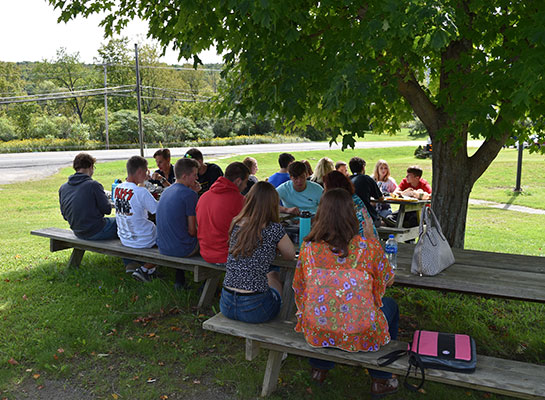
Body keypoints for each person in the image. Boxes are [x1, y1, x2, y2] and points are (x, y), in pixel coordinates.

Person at [292, 189, 399, 397]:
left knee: (325, 309)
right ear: (352, 215)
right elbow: (388, 280)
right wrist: (371, 238)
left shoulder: (308, 247)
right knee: (391, 305)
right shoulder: (365, 248)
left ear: (320, 212)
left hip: (318, 327)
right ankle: (381, 377)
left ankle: (319, 368)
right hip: (359, 329)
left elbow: (301, 286)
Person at [220, 182, 296, 323]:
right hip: (254, 308)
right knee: (272, 275)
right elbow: (290, 255)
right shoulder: (274, 228)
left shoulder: (236, 223)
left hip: (226, 302)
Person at [156, 157, 201, 289]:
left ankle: (179, 280)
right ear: (185, 176)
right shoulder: (189, 195)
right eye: (194, 174)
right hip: (182, 249)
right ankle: (206, 283)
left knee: (178, 233)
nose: (197, 177)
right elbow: (192, 231)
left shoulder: (166, 191)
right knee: (210, 240)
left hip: (163, 247)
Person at [114, 155, 158, 282]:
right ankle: (145, 269)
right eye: (145, 172)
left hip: (125, 238)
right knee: (171, 236)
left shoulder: (117, 188)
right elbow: (158, 210)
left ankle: (136, 265)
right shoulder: (141, 192)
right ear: (139, 171)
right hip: (144, 240)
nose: (146, 175)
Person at [196, 162, 249, 264]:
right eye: (246, 182)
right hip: (227, 255)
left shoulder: (204, 196)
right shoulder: (239, 200)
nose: (246, 186)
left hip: (205, 252)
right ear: (238, 181)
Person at [59, 152, 117, 240]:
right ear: (91, 167)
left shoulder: (63, 188)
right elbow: (107, 210)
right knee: (125, 222)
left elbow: (65, 216)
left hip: (78, 232)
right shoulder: (93, 185)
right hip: (96, 231)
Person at [323, 171, 377, 238]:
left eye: (325, 187)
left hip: (360, 241)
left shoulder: (342, 201)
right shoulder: (353, 197)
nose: (324, 190)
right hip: (370, 238)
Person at [349, 157, 384, 228]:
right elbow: (381, 198)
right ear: (363, 168)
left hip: (350, 218)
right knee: (386, 224)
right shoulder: (366, 179)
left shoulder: (347, 180)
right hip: (366, 217)